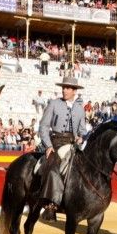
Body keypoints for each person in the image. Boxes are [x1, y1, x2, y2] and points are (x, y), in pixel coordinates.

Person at [38, 76, 86, 221]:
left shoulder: (80, 109)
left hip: (73, 144)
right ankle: (51, 206)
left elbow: (82, 130)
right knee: (53, 168)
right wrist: (48, 146)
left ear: (74, 91)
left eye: (68, 88)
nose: (64, 90)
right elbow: (44, 126)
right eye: (63, 87)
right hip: (56, 142)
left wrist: (80, 137)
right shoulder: (54, 103)